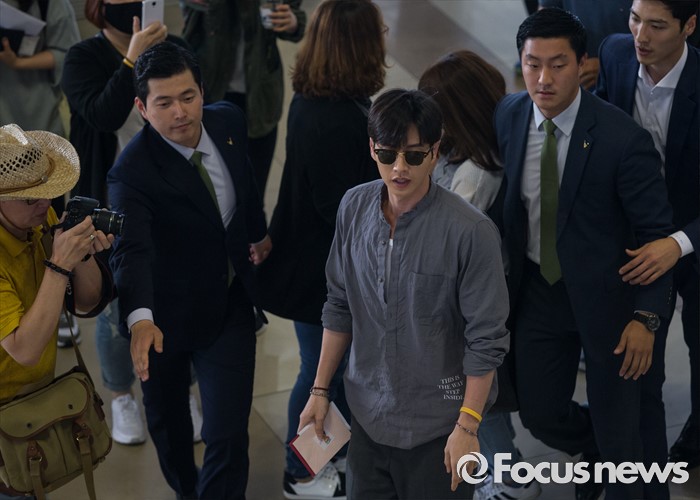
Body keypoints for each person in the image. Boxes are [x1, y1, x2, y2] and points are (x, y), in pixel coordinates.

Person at [495, 8, 674, 500]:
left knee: (623, 437)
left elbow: (656, 236)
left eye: (558, 65)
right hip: (540, 292)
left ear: (582, 65)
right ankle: (590, 449)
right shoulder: (509, 115)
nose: (543, 79)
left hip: (613, 302)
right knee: (539, 413)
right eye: (532, 65)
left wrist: (647, 318)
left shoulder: (622, 140)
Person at [298, 88, 510, 500]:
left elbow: (485, 340)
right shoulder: (353, 208)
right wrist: (320, 390)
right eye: (387, 154)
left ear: (435, 152)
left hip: (440, 427)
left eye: (414, 156)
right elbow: (339, 304)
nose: (399, 168)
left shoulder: (470, 232)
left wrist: (467, 427)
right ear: (372, 148)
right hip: (368, 419)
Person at [107, 41, 271, 499]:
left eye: (188, 96)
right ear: (142, 108)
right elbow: (131, 250)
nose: (180, 112)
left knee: (227, 433)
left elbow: (246, 184)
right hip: (164, 319)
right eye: (164, 103)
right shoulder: (131, 172)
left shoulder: (228, 121)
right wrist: (141, 319)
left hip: (228, 304)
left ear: (202, 91)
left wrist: (259, 234)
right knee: (171, 428)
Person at [256, 1, 385, 498]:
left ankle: (330, 453)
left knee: (329, 371)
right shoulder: (339, 119)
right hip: (325, 276)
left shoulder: (316, 99)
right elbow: (341, 209)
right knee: (320, 375)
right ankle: (302, 472)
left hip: (312, 264)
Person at [60, 0, 202, 447]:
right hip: (109, 200)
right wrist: (131, 59)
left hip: (170, 194)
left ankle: (186, 386)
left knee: (176, 291)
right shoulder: (83, 57)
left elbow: (196, 111)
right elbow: (100, 114)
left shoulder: (174, 50)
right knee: (115, 301)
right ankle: (121, 394)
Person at [418, 50, 541, 500]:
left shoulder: (474, 175)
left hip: (465, 308)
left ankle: (510, 479)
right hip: (477, 301)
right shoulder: (483, 152)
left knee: (473, 399)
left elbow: (439, 244)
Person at [596, 0, 700, 472]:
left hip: (692, 232)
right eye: (635, 18)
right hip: (635, 232)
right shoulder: (616, 54)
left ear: (689, 26)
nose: (640, 35)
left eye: (657, 26)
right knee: (630, 348)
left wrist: (677, 243)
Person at [0, 124, 112, 474]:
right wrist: (60, 264)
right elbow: (25, 350)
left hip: (34, 395)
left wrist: (82, 253)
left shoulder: (36, 218)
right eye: (30, 199)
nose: (46, 205)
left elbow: (87, 302)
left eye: (47, 191)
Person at [181, 0, 306, 199]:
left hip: (260, 94)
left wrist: (292, 21)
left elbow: (290, 13)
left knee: (253, 190)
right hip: (208, 88)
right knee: (208, 192)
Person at [538, 0, 631, 89]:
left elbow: (640, 34)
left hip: (626, 80)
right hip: (577, 82)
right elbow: (546, 21)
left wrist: (608, 65)